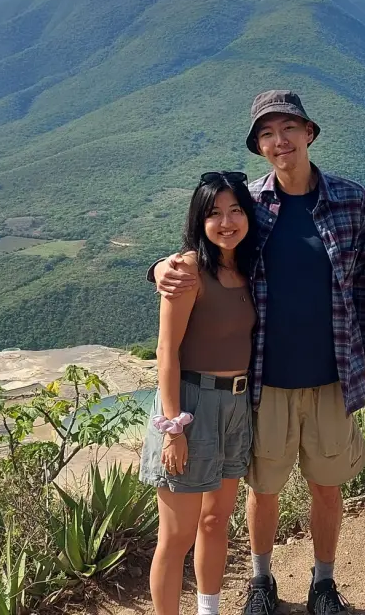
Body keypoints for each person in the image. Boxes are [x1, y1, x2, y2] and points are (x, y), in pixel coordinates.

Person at [150, 91, 365, 615]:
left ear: (309, 133)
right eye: (266, 134)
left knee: (327, 486)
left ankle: (324, 583)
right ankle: (262, 581)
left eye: (287, 129)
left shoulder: (351, 199)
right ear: (259, 147)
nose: (278, 142)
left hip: (331, 375)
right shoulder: (251, 203)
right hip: (264, 379)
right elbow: (208, 250)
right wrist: (162, 267)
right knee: (265, 489)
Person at [140, 171, 258, 615]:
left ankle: (209, 610)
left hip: (235, 405)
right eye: (214, 214)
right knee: (176, 537)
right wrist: (173, 428)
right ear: (199, 220)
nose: (226, 222)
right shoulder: (188, 270)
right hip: (190, 406)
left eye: (235, 211)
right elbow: (166, 352)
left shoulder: (247, 268)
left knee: (215, 521)